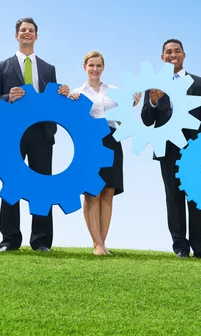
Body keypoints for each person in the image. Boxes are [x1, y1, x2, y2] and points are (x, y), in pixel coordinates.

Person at [0, 17, 70, 253]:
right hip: (12, 134)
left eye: (31, 30)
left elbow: (54, 103)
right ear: (16, 35)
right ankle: (10, 240)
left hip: (41, 132)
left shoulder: (48, 68)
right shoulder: (2, 66)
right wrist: (6, 98)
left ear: (36, 36)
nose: (27, 33)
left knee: (43, 184)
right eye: (23, 30)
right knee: (12, 183)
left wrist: (62, 94)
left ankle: (41, 240)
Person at [140, 39, 201, 260]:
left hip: (195, 147)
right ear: (162, 57)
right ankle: (181, 247)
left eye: (176, 51)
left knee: (197, 196)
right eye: (168, 52)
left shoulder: (199, 83)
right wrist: (152, 103)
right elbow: (146, 121)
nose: (172, 55)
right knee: (173, 197)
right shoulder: (154, 85)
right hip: (167, 148)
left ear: (183, 54)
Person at [69, 51, 140, 255]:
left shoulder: (114, 91)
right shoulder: (78, 92)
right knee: (93, 192)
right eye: (91, 65)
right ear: (85, 67)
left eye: (98, 66)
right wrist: (69, 100)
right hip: (89, 141)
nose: (95, 69)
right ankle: (96, 244)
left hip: (112, 139)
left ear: (103, 68)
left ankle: (103, 243)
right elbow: (73, 119)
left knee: (108, 191)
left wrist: (133, 103)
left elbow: (125, 114)